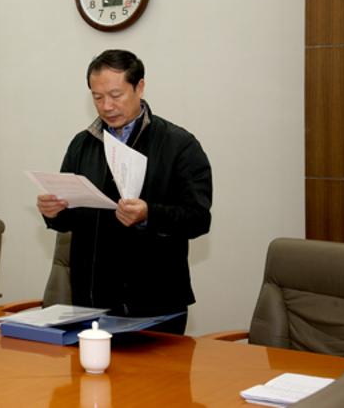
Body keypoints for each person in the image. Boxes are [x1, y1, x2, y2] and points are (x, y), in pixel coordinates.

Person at [36, 50, 212, 334]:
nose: (106, 106)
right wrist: (54, 212)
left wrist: (148, 214)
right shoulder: (83, 144)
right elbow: (71, 219)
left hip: (155, 304)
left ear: (139, 87)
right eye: (97, 97)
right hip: (90, 301)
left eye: (115, 95)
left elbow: (198, 218)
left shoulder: (178, 144)